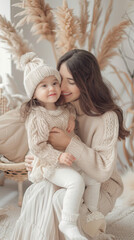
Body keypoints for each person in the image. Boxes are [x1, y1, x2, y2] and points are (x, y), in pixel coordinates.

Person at [11, 49, 129, 240]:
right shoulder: (59, 107)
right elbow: (41, 142)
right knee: (42, 190)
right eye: (60, 79)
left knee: (59, 198)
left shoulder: (107, 118)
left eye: (71, 82)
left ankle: (81, 228)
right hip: (71, 173)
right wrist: (34, 159)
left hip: (98, 187)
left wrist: (69, 142)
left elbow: (102, 171)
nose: (60, 88)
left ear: (86, 82)